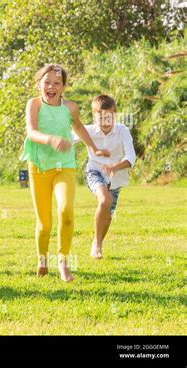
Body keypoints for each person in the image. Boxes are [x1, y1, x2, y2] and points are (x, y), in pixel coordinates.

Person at [20, 64, 110, 282]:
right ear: (39, 84)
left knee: (66, 212)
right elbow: (31, 132)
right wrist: (50, 139)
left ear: (63, 87)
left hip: (65, 166)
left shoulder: (70, 108)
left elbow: (78, 127)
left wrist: (94, 148)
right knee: (44, 224)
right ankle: (42, 259)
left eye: (57, 83)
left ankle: (63, 262)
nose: (51, 86)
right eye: (47, 82)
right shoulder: (34, 104)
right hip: (39, 167)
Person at [74, 94, 135, 259]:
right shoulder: (88, 131)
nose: (105, 122)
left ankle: (97, 240)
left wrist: (115, 167)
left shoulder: (123, 131)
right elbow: (67, 138)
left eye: (109, 117)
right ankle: (97, 246)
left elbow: (131, 157)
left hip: (116, 177)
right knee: (104, 200)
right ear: (94, 117)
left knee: (108, 213)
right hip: (94, 172)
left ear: (115, 115)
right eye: (100, 118)